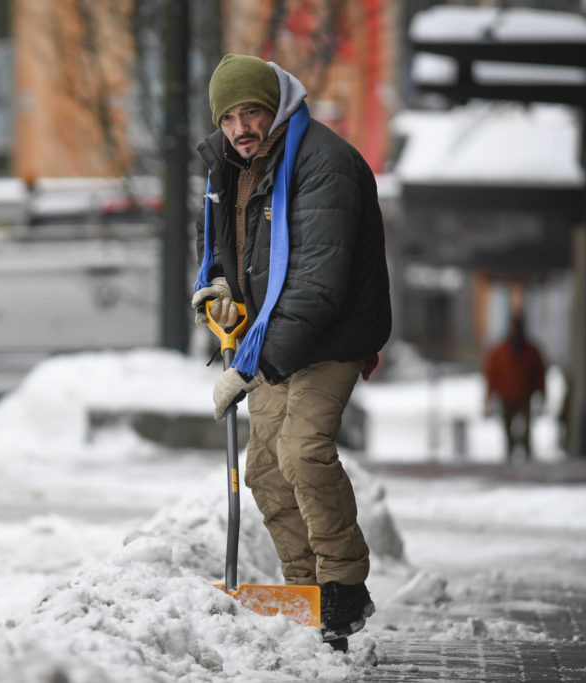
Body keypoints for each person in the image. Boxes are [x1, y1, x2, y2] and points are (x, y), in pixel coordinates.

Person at [191, 54, 391, 643]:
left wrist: (255, 362)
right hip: (277, 331)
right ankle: (307, 593)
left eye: (250, 111)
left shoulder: (323, 162)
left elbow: (318, 282)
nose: (239, 128)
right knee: (265, 471)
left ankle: (344, 585)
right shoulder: (231, 165)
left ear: (275, 107)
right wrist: (223, 286)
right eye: (228, 118)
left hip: (331, 333)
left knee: (302, 450)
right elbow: (227, 245)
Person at [483, 313, 546, 459]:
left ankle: (527, 456)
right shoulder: (500, 352)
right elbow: (492, 374)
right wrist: (490, 394)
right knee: (507, 430)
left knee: (526, 430)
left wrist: (541, 393)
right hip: (507, 396)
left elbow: (539, 374)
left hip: (524, 396)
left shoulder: (531, 352)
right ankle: (510, 455)